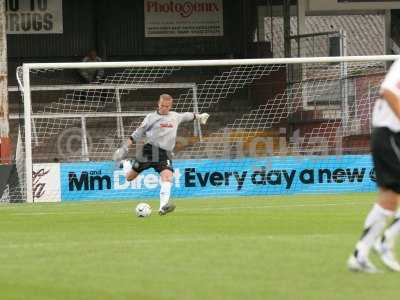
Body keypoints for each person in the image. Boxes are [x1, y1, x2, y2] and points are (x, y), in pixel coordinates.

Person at [113, 94, 209, 215]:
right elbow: (137, 134)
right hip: (148, 151)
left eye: (167, 106)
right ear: (158, 104)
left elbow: (186, 116)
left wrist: (199, 116)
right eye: (162, 105)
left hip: (165, 154)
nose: (164, 108)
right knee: (129, 177)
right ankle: (127, 164)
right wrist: (124, 147)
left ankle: (163, 207)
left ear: (170, 106)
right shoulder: (150, 118)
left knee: (168, 176)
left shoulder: (175, 116)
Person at [347, 58, 400, 273]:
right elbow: (387, 90)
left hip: (389, 135)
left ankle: (361, 252)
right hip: (389, 135)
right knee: (389, 196)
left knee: (388, 198)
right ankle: (385, 241)